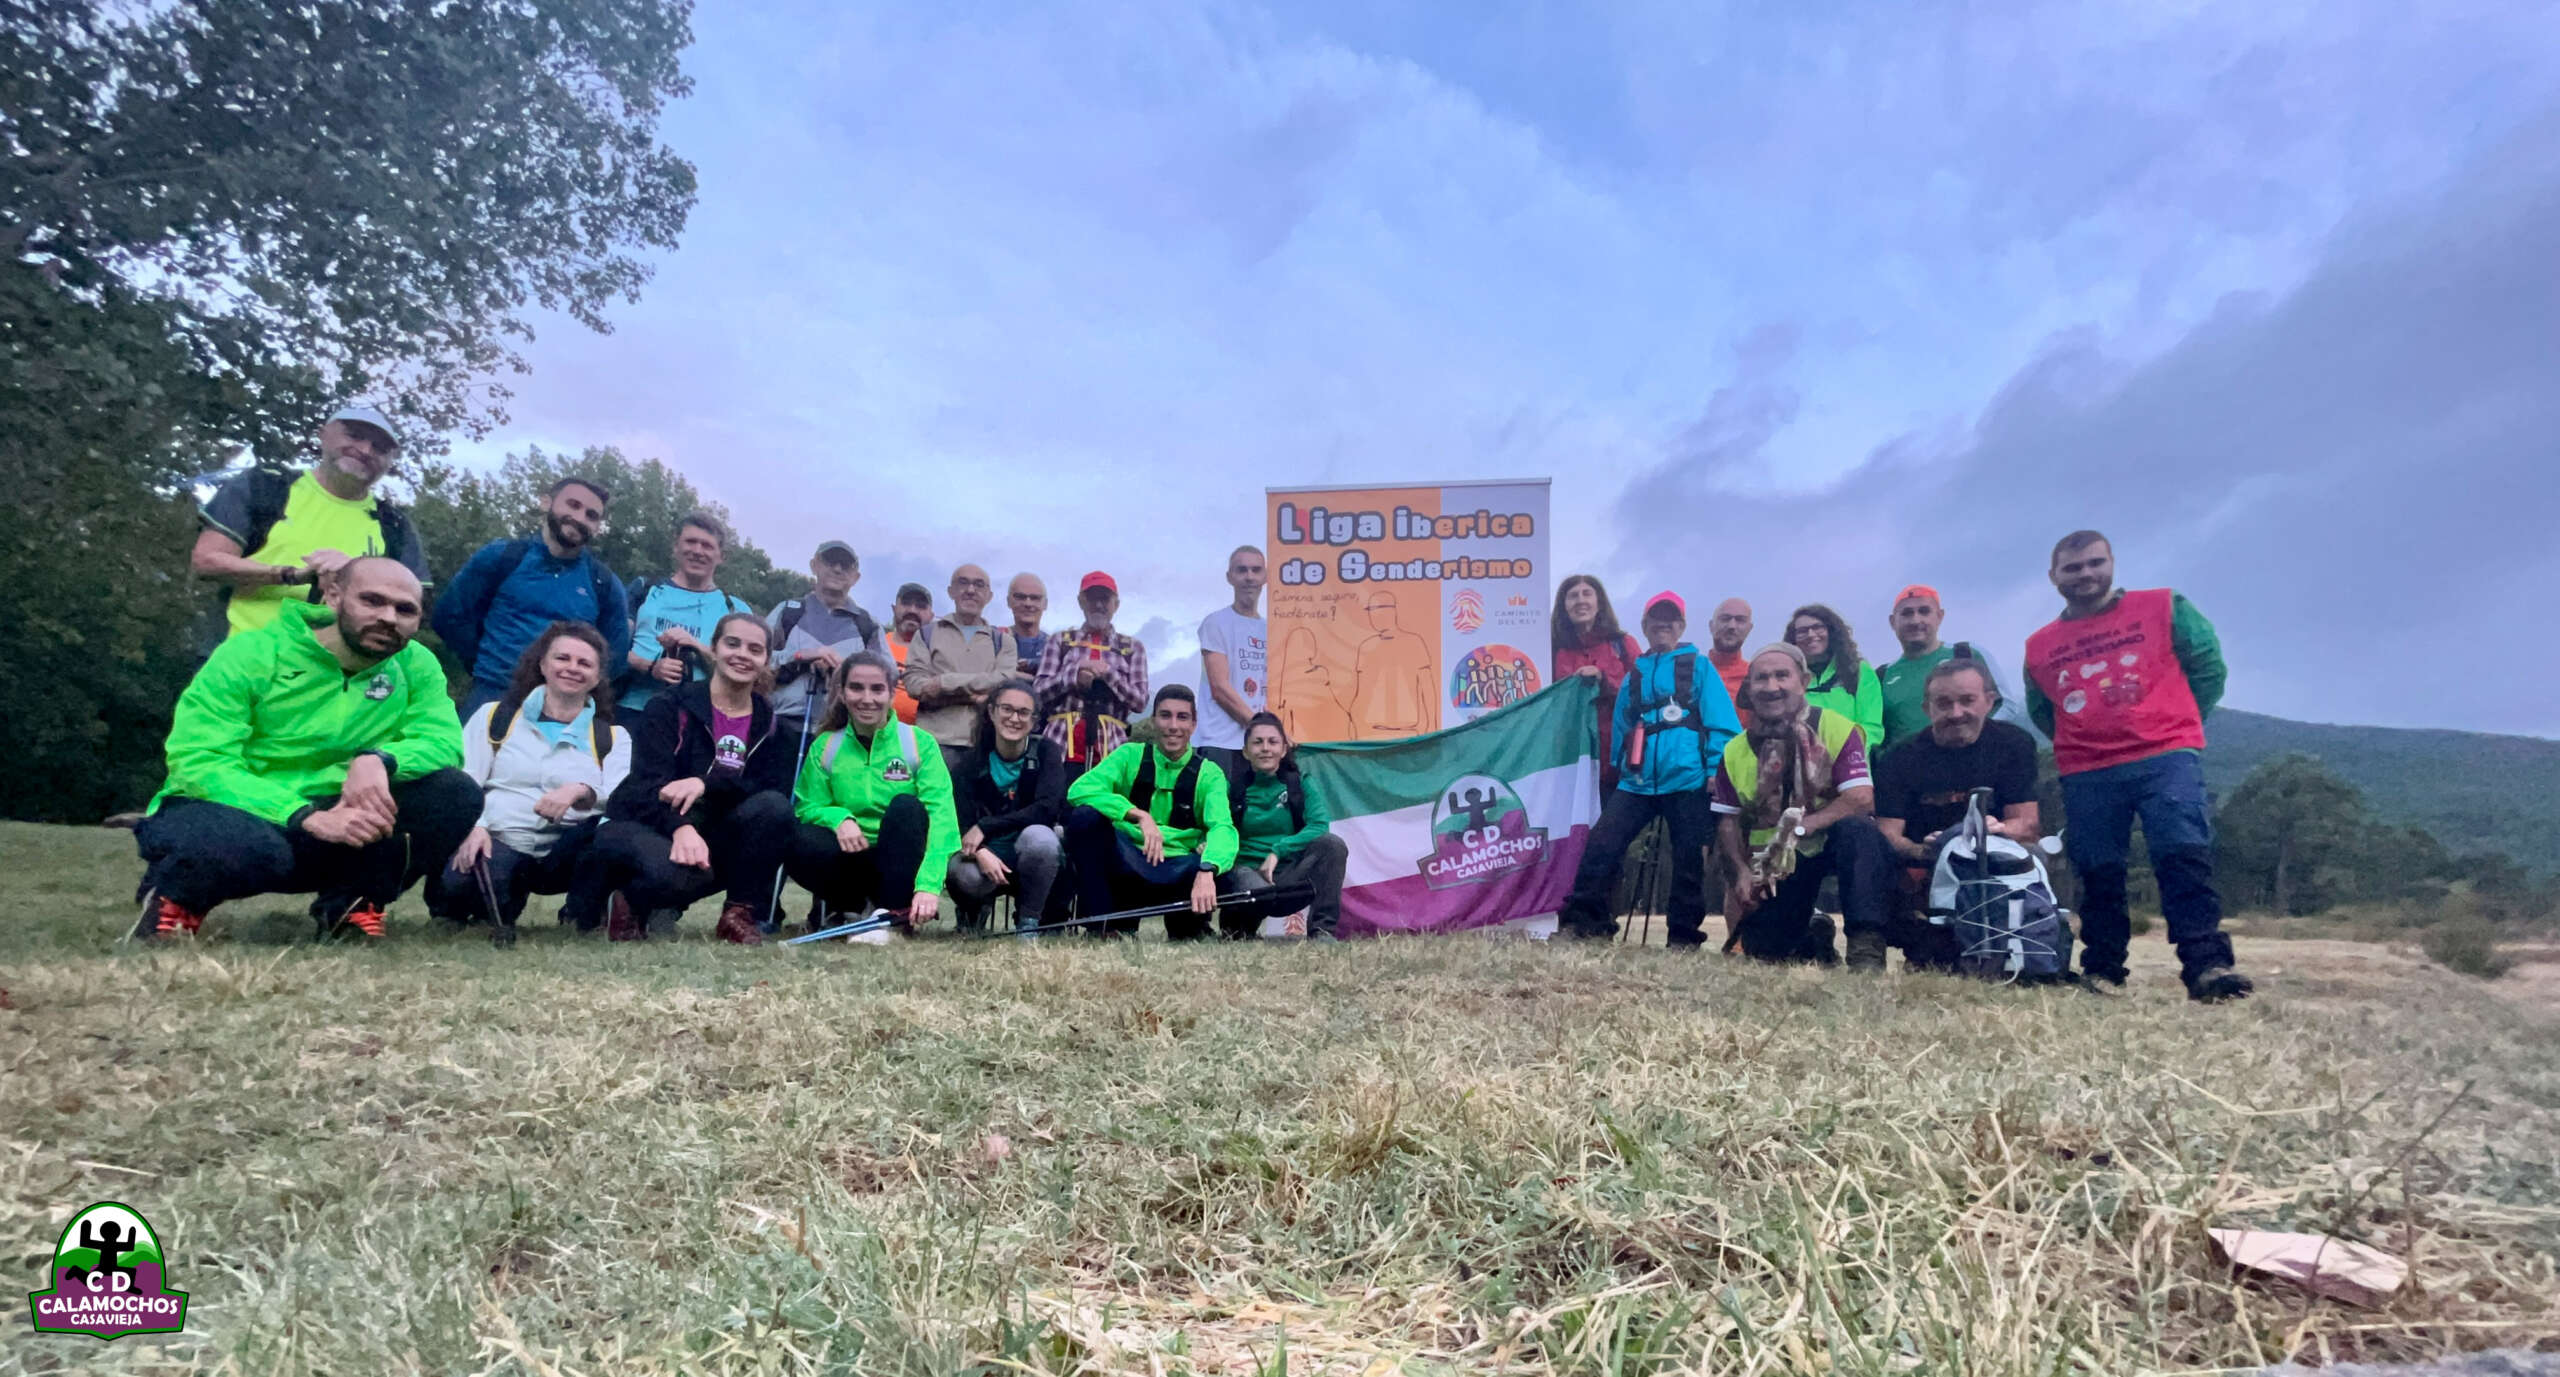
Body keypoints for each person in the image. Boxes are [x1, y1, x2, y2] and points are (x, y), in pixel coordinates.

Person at [134, 558, 476, 941]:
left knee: (455, 793)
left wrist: (380, 760)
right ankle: (177, 899)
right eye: (372, 601)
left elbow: (444, 741)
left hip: (340, 816)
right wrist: (301, 814)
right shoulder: (250, 654)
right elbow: (200, 762)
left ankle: (351, 904)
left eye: (404, 609)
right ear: (333, 596)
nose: (389, 618)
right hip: (240, 809)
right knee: (246, 846)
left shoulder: (416, 664)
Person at [2024, 530, 2252, 1001]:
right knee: (2097, 870)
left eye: (2094, 563)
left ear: (2111, 562)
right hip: (2087, 768)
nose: (2085, 574)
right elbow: (2043, 709)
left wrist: (2178, 723)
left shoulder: (2165, 607)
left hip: (2165, 756)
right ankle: (2103, 969)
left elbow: (2209, 669)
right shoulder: (2040, 645)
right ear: (2053, 577)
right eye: (2073, 568)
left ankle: (2207, 966)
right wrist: (2085, 736)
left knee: (2183, 855)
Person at [587, 611, 795, 944]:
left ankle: (738, 915)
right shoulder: (668, 706)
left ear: (766, 660)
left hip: (711, 828)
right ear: (714, 649)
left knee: (775, 809)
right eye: (732, 643)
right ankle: (628, 900)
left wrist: (705, 783)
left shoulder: (771, 725)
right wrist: (680, 827)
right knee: (677, 875)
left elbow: (767, 788)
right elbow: (645, 786)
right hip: (646, 822)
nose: (742, 654)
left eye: (755, 649)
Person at [1556, 593, 1742, 946]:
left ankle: (1683, 937)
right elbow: (1623, 725)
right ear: (1644, 626)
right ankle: (1584, 925)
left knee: (1689, 860)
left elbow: (1722, 722)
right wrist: (1621, 770)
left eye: (1671, 620)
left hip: (1688, 779)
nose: (1663, 625)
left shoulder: (1699, 666)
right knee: (1601, 846)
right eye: (1656, 620)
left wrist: (1714, 770)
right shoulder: (1635, 674)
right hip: (1637, 783)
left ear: (1682, 626)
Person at [432, 622, 632, 937]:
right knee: (460, 886)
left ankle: (583, 914)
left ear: (597, 677)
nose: (572, 668)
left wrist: (582, 790)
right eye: (562, 658)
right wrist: (476, 826)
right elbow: (465, 780)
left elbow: (623, 797)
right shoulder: (494, 718)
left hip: (569, 850)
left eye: (584, 663)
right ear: (542, 664)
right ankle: (488, 899)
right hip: (502, 836)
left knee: (614, 837)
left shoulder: (612, 737)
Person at [1713, 643, 1894, 968]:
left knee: (1860, 831)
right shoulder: (1733, 751)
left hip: (1829, 842)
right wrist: (1740, 872)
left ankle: (1866, 947)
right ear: (1749, 689)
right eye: (1761, 679)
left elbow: (1861, 798)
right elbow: (1727, 822)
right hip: (1775, 864)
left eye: (1782, 675)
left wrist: (1801, 826)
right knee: (1763, 953)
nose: (1772, 687)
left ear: (1804, 681)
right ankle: (1813, 935)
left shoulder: (1837, 728)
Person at [189, 404, 432, 646]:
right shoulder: (266, 487)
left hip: (339, 673)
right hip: (241, 657)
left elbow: (413, 605)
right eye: (354, 435)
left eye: (380, 447)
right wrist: (293, 575)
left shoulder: (395, 525)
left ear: (390, 461)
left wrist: (351, 574)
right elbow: (207, 561)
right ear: (323, 434)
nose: (365, 450)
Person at [1873, 658, 2042, 970]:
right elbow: (1886, 833)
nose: (1956, 713)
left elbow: (2028, 825)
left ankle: (2021, 943)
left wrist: (1996, 831)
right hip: (1925, 862)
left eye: (1967, 701)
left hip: (1992, 857)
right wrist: (1926, 850)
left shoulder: (2014, 744)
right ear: (1927, 708)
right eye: (1943, 703)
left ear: (1989, 701)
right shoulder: (1900, 757)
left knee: (2033, 855)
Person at [783, 653, 961, 933]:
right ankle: (846, 909)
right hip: (850, 855)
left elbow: (942, 818)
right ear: (842, 693)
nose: (867, 698)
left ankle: (889, 915)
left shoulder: (919, 743)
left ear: (892, 693)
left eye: (877, 689)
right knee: (794, 836)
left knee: (906, 807)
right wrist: (839, 819)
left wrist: (928, 886)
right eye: (856, 688)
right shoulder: (826, 745)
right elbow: (806, 807)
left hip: (899, 861)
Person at [432, 476, 632, 718]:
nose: (580, 518)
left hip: (561, 709)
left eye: (592, 515)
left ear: (598, 527)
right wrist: (486, 661)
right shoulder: (502, 557)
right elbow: (449, 616)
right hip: (492, 697)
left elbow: (615, 658)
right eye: (573, 505)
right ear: (546, 503)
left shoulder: (604, 583)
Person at [1063, 686, 1237, 938]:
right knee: (1085, 819)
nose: (1173, 725)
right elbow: (1079, 790)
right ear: (1154, 720)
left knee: (1220, 867)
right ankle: (1101, 925)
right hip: (1126, 864)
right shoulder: (1128, 755)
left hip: (1178, 870)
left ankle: (1191, 925)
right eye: (1165, 715)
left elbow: (1223, 827)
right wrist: (1138, 815)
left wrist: (1208, 870)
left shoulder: (1209, 773)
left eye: (1182, 717)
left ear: (1194, 724)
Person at [947, 679, 1068, 932]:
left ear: (1034, 721)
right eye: (1007, 709)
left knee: (1043, 838)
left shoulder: (1047, 752)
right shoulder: (969, 763)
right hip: (987, 854)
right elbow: (962, 824)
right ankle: (972, 913)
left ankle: (1029, 923)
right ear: (992, 712)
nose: (1015, 718)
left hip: (1031, 854)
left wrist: (987, 825)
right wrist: (979, 850)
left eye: (1024, 712)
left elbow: (1047, 808)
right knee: (961, 870)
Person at [1219, 713, 1348, 940]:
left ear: (1284, 749)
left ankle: (1322, 931)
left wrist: (1277, 851)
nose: (1265, 748)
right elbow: (1217, 825)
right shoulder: (1232, 789)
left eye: (1273, 741)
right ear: (1245, 751)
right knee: (1250, 887)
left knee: (1333, 845)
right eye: (1257, 742)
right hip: (1246, 874)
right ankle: (1238, 929)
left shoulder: (1301, 782)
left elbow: (1319, 826)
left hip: (1290, 877)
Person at [1874, 584, 2032, 753]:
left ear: (1940, 616)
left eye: (1924, 611)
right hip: (1909, 772)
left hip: (1972, 764)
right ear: (1893, 621)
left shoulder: (1967, 654)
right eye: (1906, 613)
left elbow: (2006, 705)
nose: (1916, 620)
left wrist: (1970, 735)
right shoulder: (1882, 676)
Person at [622, 511, 751, 713]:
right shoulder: (644, 590)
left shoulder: (735, 610)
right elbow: (611, 646)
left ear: (721, 556)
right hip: (634, 709)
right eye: (690, 541)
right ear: (676, 547)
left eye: (707, 546)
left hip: (699, 716)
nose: (697, 551)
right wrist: (650, 667)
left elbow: (746, 667)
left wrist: (696, 647)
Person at [768, 540, 885, 745]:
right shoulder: (787, 612)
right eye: (830, 561)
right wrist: (799, 656)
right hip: (780, 725)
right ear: (814, 565)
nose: (837, 569)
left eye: (846, 565)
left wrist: (844, 671)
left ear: (856, 578)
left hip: (842, 731)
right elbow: (756, 662)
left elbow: (887, 677)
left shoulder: (868, 625)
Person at [1034, 571, 1149, 775]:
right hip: (1060, 743)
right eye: (1092, 598)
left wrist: (1109, 674)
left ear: (1116, 604)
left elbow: (1140, 702)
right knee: (1055, 803)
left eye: (1105, 598)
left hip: (1111, 747)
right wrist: (1073, 676)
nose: (1098, 605)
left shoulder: (1132, 648)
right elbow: (1037, 694)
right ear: (1081, 602)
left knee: (1105, 804)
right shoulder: (1060, 641)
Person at [906, 564, 1018, 755]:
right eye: (963, 583)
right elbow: (914, 685)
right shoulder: (927, 634)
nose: (970, 590)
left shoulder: (1003, 641)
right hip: (932, 742)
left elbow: (1003, 682)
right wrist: (974, 695)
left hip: (985, 743)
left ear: (989, 596)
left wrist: (943, 682)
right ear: (951, 591)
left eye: (979, 585)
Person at [1551, 574, 1641, 790]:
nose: (1580, 600)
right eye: (1572, 596)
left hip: (1616, 761)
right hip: (1569, 760)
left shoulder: (1623, 644)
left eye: (1587, 593)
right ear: (1564, 607)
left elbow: (1643, 692)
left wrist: (1603, 680)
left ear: (1599, 602)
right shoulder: (1551, 649)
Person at [1194, 546, 1269, 772]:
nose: (1249, 577)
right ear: (1230, 577)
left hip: (1259, 746)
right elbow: (1220, 688)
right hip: (1219, 743)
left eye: (1256, 570)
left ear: (1266, 577)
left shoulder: (1273, 629)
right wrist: (1258, 726)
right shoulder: (1216, 623)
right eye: (1242, 570)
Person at [1786, 604, 1885, 747]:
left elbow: (1872, 728)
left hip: (1851, 761)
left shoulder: (1858, 671)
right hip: (1802, 762)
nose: (1811, 635)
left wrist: (1843, 750)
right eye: (1802, 631)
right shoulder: (1788, 678)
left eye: (1818, 627)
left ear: (1832, 631)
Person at [1353, 589, 1436, 738]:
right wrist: (1354, 725)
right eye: (1371, 612)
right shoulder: (1367, 647)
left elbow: (1427, 688)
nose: (1374, 616)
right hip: (1372, 732)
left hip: (1406, 733)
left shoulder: (1413, 642)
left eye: (1378, 611)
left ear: (1392, 611)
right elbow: (1362, 693)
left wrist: (1432, 727)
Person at [885, 582, 935, 725]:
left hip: (921, 739)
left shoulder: (940, 654)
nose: (913, 610)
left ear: (931, 616)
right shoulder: (876, 645)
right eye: (906, 603)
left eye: (921, 606)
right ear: (894, 609)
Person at [1707, 598, 1755, 728]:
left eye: (1740, 620)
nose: (1732, 626)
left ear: (1749, 629)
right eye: (1725, 619)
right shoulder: (1691, 673)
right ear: (1711, 626)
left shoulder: (1756, 677)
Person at [1006, 573, 1051, 675]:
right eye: (1020, 597)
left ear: (1045, 604)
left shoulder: (1055, 646)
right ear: (1008, 601)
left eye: (1035, 598)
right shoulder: (995, 640)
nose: (1028, 604)